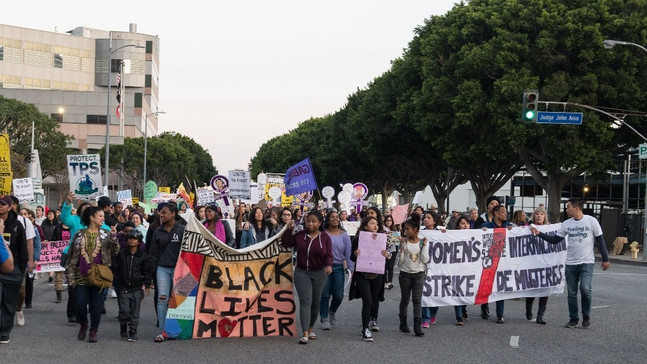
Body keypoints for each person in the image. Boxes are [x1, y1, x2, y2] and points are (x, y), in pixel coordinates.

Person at [530, 199, 610, 329]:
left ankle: (586, 316)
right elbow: (555, 240)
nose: (566, 210)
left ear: (576, 208)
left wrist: (605, 259)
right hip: (571, 263)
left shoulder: (591, 221)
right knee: (572, 293)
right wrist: (539, 234)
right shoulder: (567, 224)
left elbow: (600, 240)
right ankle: (573, 318)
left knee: (585, 289)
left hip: (586, 262)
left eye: (568, 207)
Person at [66, 206, 119, 342]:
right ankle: (84, 324)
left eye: (103, 216)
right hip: (81, 275)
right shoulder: (79, 234)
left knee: (96, 306)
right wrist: (70, 275)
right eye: (100, 216)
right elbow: (72, 256)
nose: (103, 218)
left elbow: (115, 252)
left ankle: (93, 330)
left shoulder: (106, 234)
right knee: (80, 303)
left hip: (99, 276)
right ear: (92, 217)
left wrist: (113, 237)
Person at [281, 210, 332, 345]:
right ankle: (304, 334)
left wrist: (329, 265)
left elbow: (329, 255)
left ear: (320, 223)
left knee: (315, 303)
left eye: (314, 221)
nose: (310, 224)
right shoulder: (300, 235)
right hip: (302, 272)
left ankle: (310, 329)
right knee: (305, 302)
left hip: (319, 273)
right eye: (308, 221)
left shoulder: (325, 237)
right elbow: (286, 243)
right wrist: (288, 229)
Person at [349, 216, 391, 342]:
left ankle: (373, 319)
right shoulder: (358, 239)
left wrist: (386, 254)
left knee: (373, 299)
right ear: (365, 226)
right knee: (367, 300)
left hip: (377, 273)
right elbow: (352, 257)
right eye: (372, 223)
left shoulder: (383, 239)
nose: (375, 226)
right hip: (362, 273)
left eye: (377, 224)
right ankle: (365, 328)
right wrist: (355, 254)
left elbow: (389, 255)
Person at [148, 203, 186, 342]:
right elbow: (153, 252)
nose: (161, 215)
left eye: (164, 212)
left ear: (173, 214)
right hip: (162, 269)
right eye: (160, 213)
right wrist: (152, 273)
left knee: (178, 300)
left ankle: (177, 329)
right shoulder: (158, 231)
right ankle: (163, 331)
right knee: (162, 298)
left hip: (179, 270)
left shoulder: (183, 229)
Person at [0, 195, 28, 344]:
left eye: (3, 204)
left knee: (9, 303)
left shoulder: (17, 225)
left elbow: (23, 250)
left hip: (13, 270)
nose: (0, 206)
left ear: (10, 207)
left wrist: (21, 270)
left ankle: (4, 333)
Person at [114, 230, 151, 342]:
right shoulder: (122, 253)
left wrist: (147, 285)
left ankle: (133, 332)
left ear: (139, 242)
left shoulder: (143, 256)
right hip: (124, 286)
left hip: (137, 287)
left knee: (135, 312)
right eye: (130, 238)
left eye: (134, 239)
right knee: (124, 311)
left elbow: (147, 271)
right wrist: (117, 279)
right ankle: (123, 327)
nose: (131, 240)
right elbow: (116, 267)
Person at [319, 210, 352, 330]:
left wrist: (351, 268)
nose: (335, 219)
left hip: (338, 267)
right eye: (332, 217)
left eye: (337, 217)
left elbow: (348, 253)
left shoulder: (344, 235)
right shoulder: (322, 234)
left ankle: (332, 310)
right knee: (325, 294)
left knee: (338, 295)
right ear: (327, 220)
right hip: (324, 267)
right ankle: (324, 317)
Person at [480, 205, 514, 324]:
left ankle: (500, 314)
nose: (506, 214)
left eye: (506, 212)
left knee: (501, 288)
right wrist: (481, 232)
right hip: (489, 262)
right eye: (503, 212)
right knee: (486, 287)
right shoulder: (486, 227)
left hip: (503, 263)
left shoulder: (509, 226)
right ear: (496, 214)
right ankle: (484, 307)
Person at [397, 213, 429, 336]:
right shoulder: (404, 242)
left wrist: (425, 247)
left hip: (419, 274)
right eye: (404, 229)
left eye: (407, 229)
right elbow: (400, 262)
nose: (405, 231)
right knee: (405, 299)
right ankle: (403, 321)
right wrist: (401, 251)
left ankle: (417, 325)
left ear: (415, 230)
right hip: (405, 274)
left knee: (417, 300)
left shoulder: (422, 242)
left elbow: (425, 260)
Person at [10, 196, 35, 327]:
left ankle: (19, 309)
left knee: (20, 290)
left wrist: (30, 261)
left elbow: (29, 242)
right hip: (3, 261)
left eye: (13, 205)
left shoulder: (24, 222)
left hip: (19, 261)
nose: (11, 207)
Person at [525, 207, 550, 324]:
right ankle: (528, 308)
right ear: (534, 216)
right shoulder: (527, 228)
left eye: (542, 214)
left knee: (545, 288)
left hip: (545, 262)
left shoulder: (550, 228)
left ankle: (541, 315)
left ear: (545, 216)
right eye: (537, 214)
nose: (539, 216)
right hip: (532, 261)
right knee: (533, 288)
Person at [420, 209, 443, 328]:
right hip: (424, 267)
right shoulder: (420, 233)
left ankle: (433, 313)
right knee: (425, 292)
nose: (426, 219)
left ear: (434, 221)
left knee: (435, 293)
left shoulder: (441, 232)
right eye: (425, 217)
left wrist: (445, 233)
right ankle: (425, 318)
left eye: (428, 217)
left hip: (438, 268)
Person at [20, 208, 43, 309]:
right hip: (19, 260)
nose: (23, 216)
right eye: (21, 214)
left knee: (29, 282)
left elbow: (37, 245)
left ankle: (28, 302)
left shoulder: (34, 229)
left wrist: (35, 259)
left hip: (30, 260)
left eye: (25, 214)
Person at [451, 215, 471, 325]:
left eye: (467, 223)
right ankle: (458, 317)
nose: (465, 225)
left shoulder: (475, 235)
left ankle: (463, 308)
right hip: (457, 268)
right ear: (458, 225)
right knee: (457, 291)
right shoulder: (453, 235)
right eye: (463, 223)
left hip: (468, 269)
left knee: (466, 291)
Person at [383, 214, 399, 290]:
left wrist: (397, 238)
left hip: (392, 250)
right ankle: (385, 281)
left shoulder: (394, 230)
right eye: (387, 220)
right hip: (384, 250)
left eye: (390, 220)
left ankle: (390, 282)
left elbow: (396, 243)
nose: (389, 222)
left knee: (390, 267)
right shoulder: (382, 230)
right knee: (384, 267)